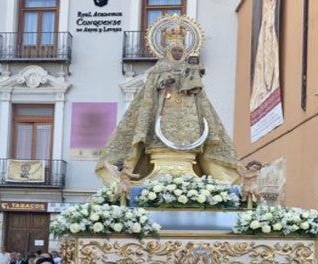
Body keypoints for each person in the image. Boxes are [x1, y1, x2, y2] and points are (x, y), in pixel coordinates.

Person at [95, 20, 239, 186]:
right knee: (143, 135)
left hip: (188, 115)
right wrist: (163, 82)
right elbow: (150, 92)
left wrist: (193, 79)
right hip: (162, 114)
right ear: (168, 51)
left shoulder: (190, 68)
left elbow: (198, 90)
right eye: (175, 50)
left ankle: (220, 176)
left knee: (204, 134)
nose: (178, 53)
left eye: (180, 50)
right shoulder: (158, 70)